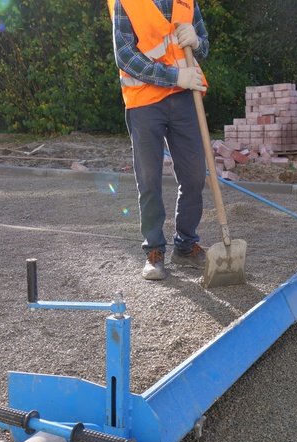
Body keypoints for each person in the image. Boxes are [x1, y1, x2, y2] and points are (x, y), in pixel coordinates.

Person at [109, 0, 210, 280]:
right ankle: (154, 250)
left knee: (194, 176)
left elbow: (203, 47)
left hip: (184, 98)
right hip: (144, 101)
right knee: (149, 179)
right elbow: (125, 57)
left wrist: (197, 42)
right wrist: (175, 76)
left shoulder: (186, 1)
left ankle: (186, 245)